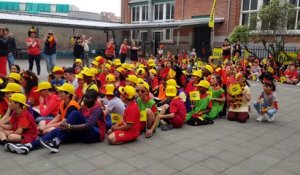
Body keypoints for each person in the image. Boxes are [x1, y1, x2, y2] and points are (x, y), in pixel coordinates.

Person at [5, 89, 106, 154]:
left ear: (95, 99)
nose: (85, 100)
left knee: (74, 115)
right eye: (85, 97)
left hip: (95, 134)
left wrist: (69, 127)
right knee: (55, 132)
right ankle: (28, 146)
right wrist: (65, 127)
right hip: (83, 132)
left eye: (88, 98)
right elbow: (58, 118)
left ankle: (56, 142)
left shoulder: (97, 109)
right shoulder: (80, 106)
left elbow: (88, 125)